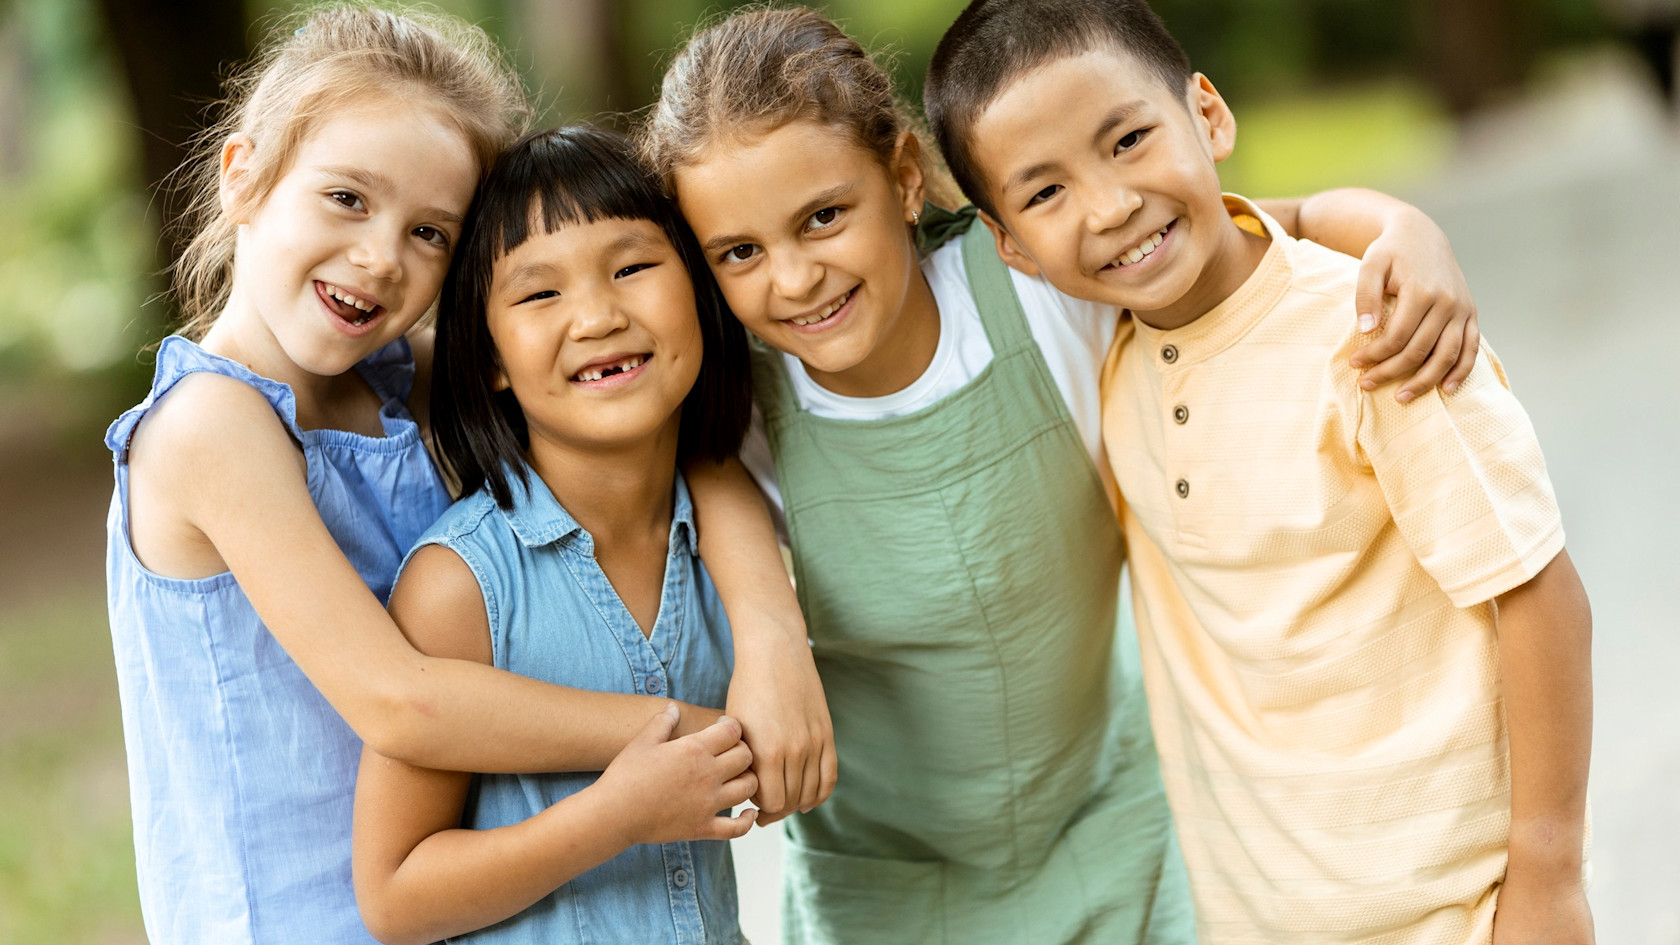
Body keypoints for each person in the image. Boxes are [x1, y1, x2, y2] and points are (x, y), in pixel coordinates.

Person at [640, 7, 1485, 943]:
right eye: (740, 252)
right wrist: (768, 631)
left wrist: (1402, 227)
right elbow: (685, 468)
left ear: (906, 177)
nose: (795, 278)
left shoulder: (1035, 286)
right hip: (881, 886)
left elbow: (1261, 231)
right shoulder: (740, 408)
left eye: (824, 217)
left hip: (1116, 836)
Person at [103, 7, 829, 944]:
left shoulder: (401, 378)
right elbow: (400, 700)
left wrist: (771, 637)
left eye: (429, 232)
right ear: (242, 175)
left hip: (459, 903)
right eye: (347, 198)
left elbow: (664, 433)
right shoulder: (210, 423)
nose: (380, 257)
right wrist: (693, 732)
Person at [923, 2, 1594, 943]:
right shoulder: (1108, 342)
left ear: (1208, 116)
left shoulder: (1379, 335)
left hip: (1458, 908)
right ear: (1012, 248)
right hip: (1257, 916)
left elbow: (1536, 591)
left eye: (1128, 140)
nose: (1110, 206)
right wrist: (1393, 216)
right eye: (1046, 193)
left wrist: (1549, 874)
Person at [352, 125, 757, 945]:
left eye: (632, 268)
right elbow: (394, 897)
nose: (599, 316)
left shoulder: (725, 543)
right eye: (540, 294)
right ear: (490, 359)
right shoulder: (462, 585)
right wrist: (614, 815)